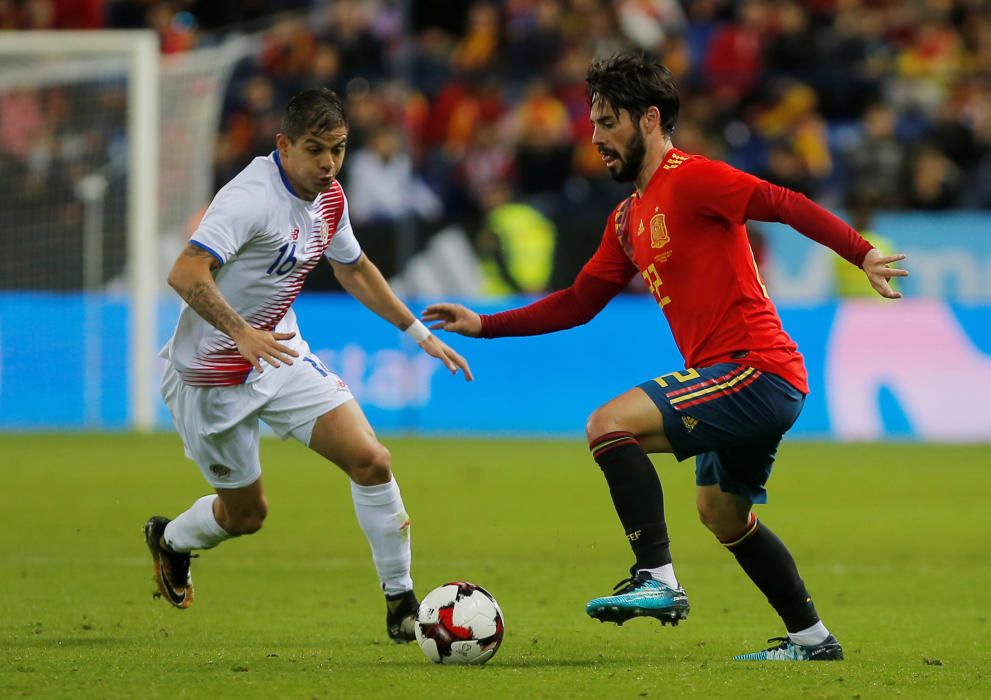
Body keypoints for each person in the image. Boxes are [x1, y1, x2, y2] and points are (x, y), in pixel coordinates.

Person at [423, 55, 907, 662]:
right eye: (593, 123)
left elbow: (782, 201)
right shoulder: (627, 219)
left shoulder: (695, 178)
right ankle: (813, 640)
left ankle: (658, 577)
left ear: (649, 119)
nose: (595, 136)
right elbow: (579, 302)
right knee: (722, 513)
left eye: (607, 121)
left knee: (608, 425)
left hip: (755, 369)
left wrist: (860, 253)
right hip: (737, 379)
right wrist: (486, 324)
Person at [146, 88, 472, 643]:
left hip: (281, 354)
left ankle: (400, 600)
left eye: (339, 149)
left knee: (371, 460)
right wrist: (240, 333)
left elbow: (355, 268)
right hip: (210, 377)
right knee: (246, 516)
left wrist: (416, 332)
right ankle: (172, 540)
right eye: (315, 149)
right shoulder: (248, 198)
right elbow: (185, 272)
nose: (328, 163)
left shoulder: (331, 199)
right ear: (284, 146)